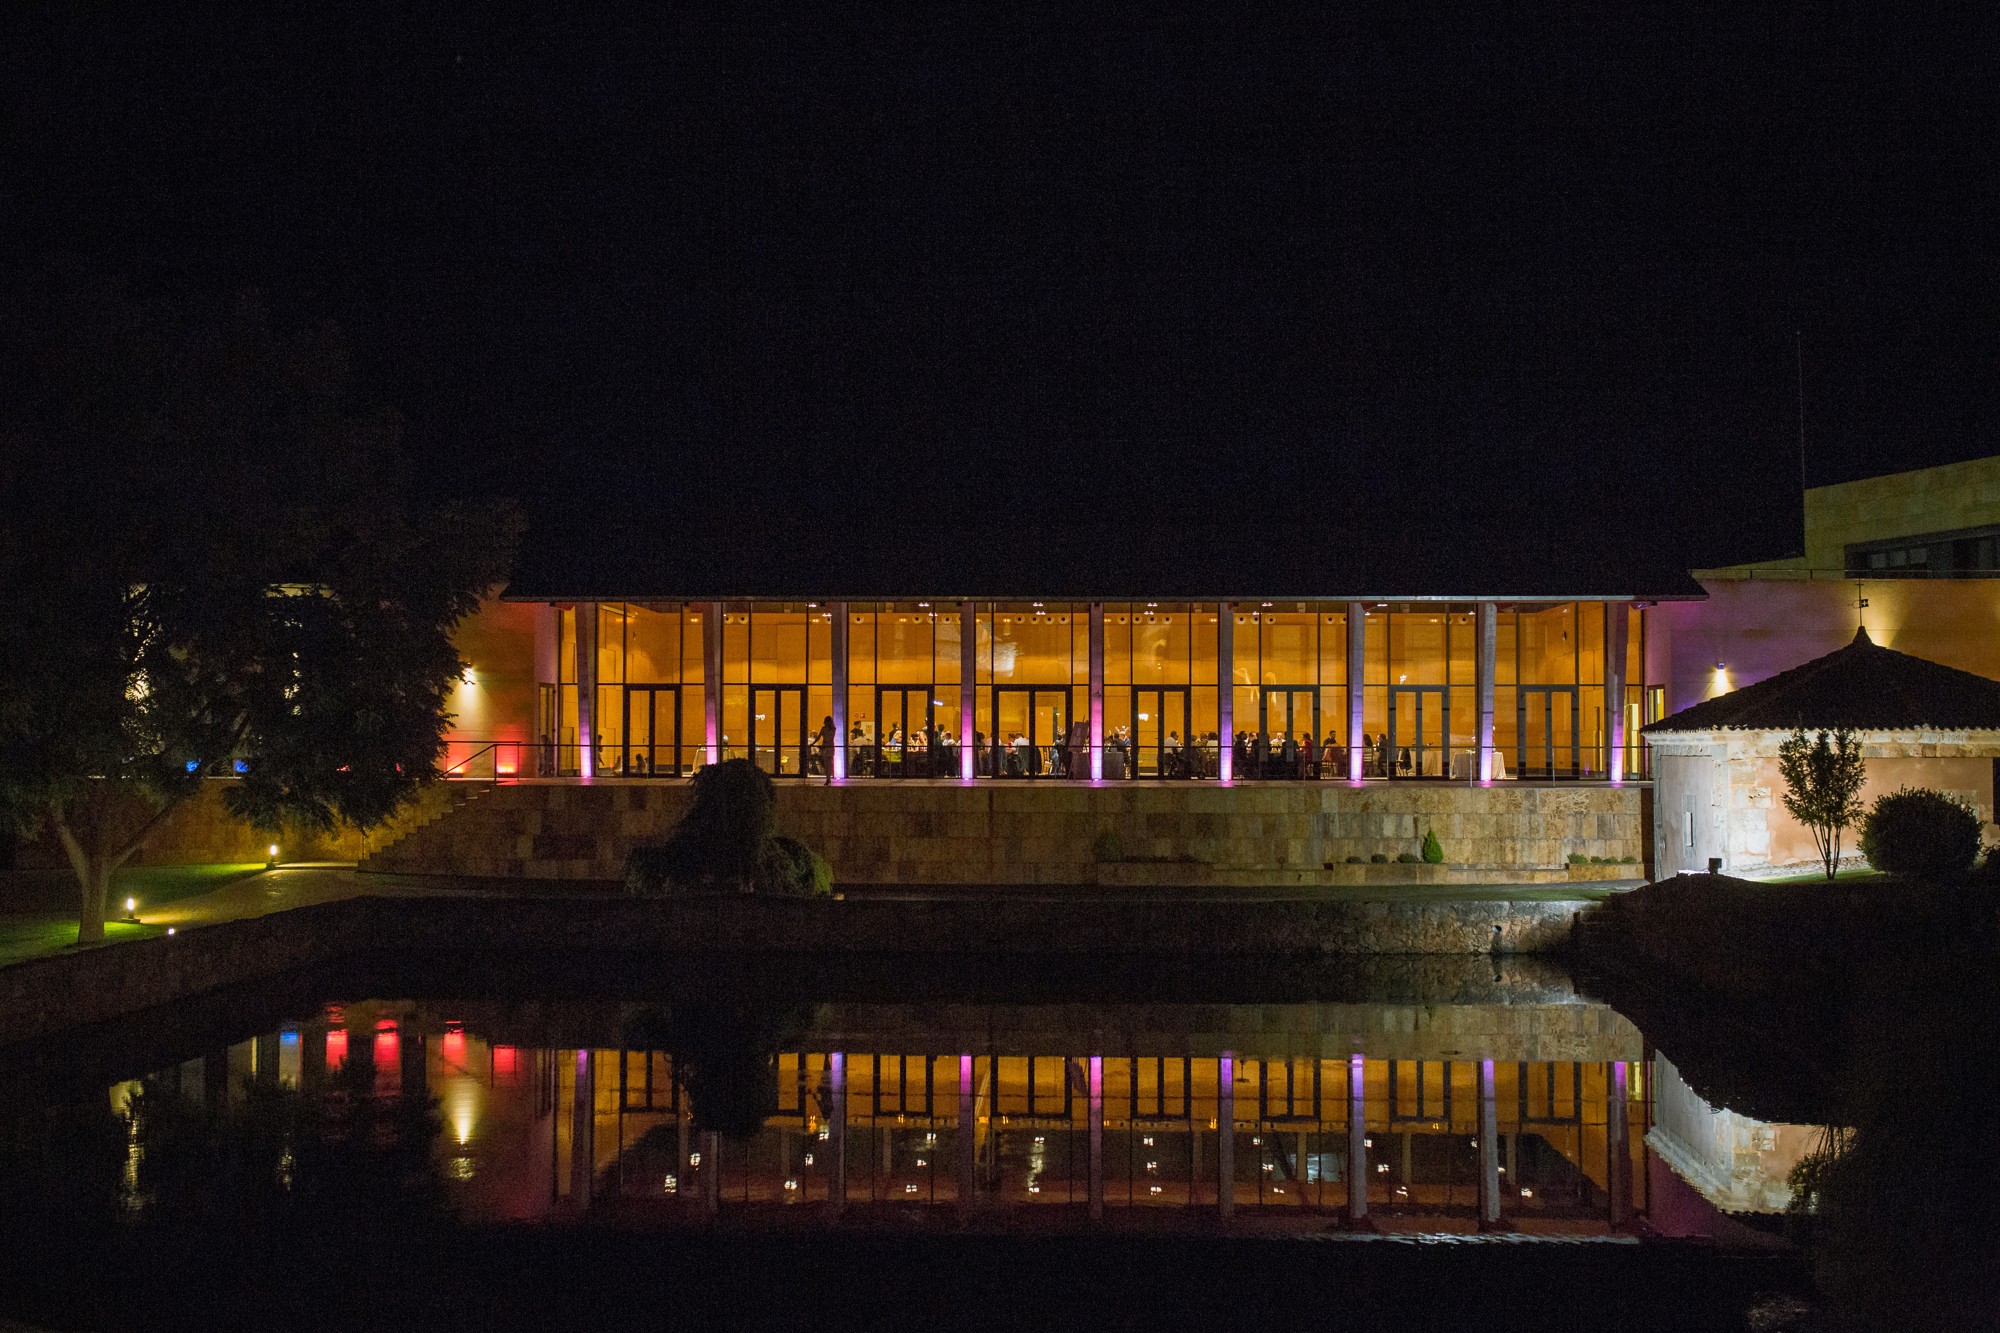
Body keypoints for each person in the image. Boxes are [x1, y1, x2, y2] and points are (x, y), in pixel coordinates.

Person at [814, 715, 835, 782]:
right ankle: (829, 777)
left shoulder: (823, 728)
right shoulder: (833, 728)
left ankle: (828, 778)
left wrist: (812, 743)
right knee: (830, 763)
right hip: (831, 746)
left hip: (825, 746)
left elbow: (818, 738)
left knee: (826, 764)